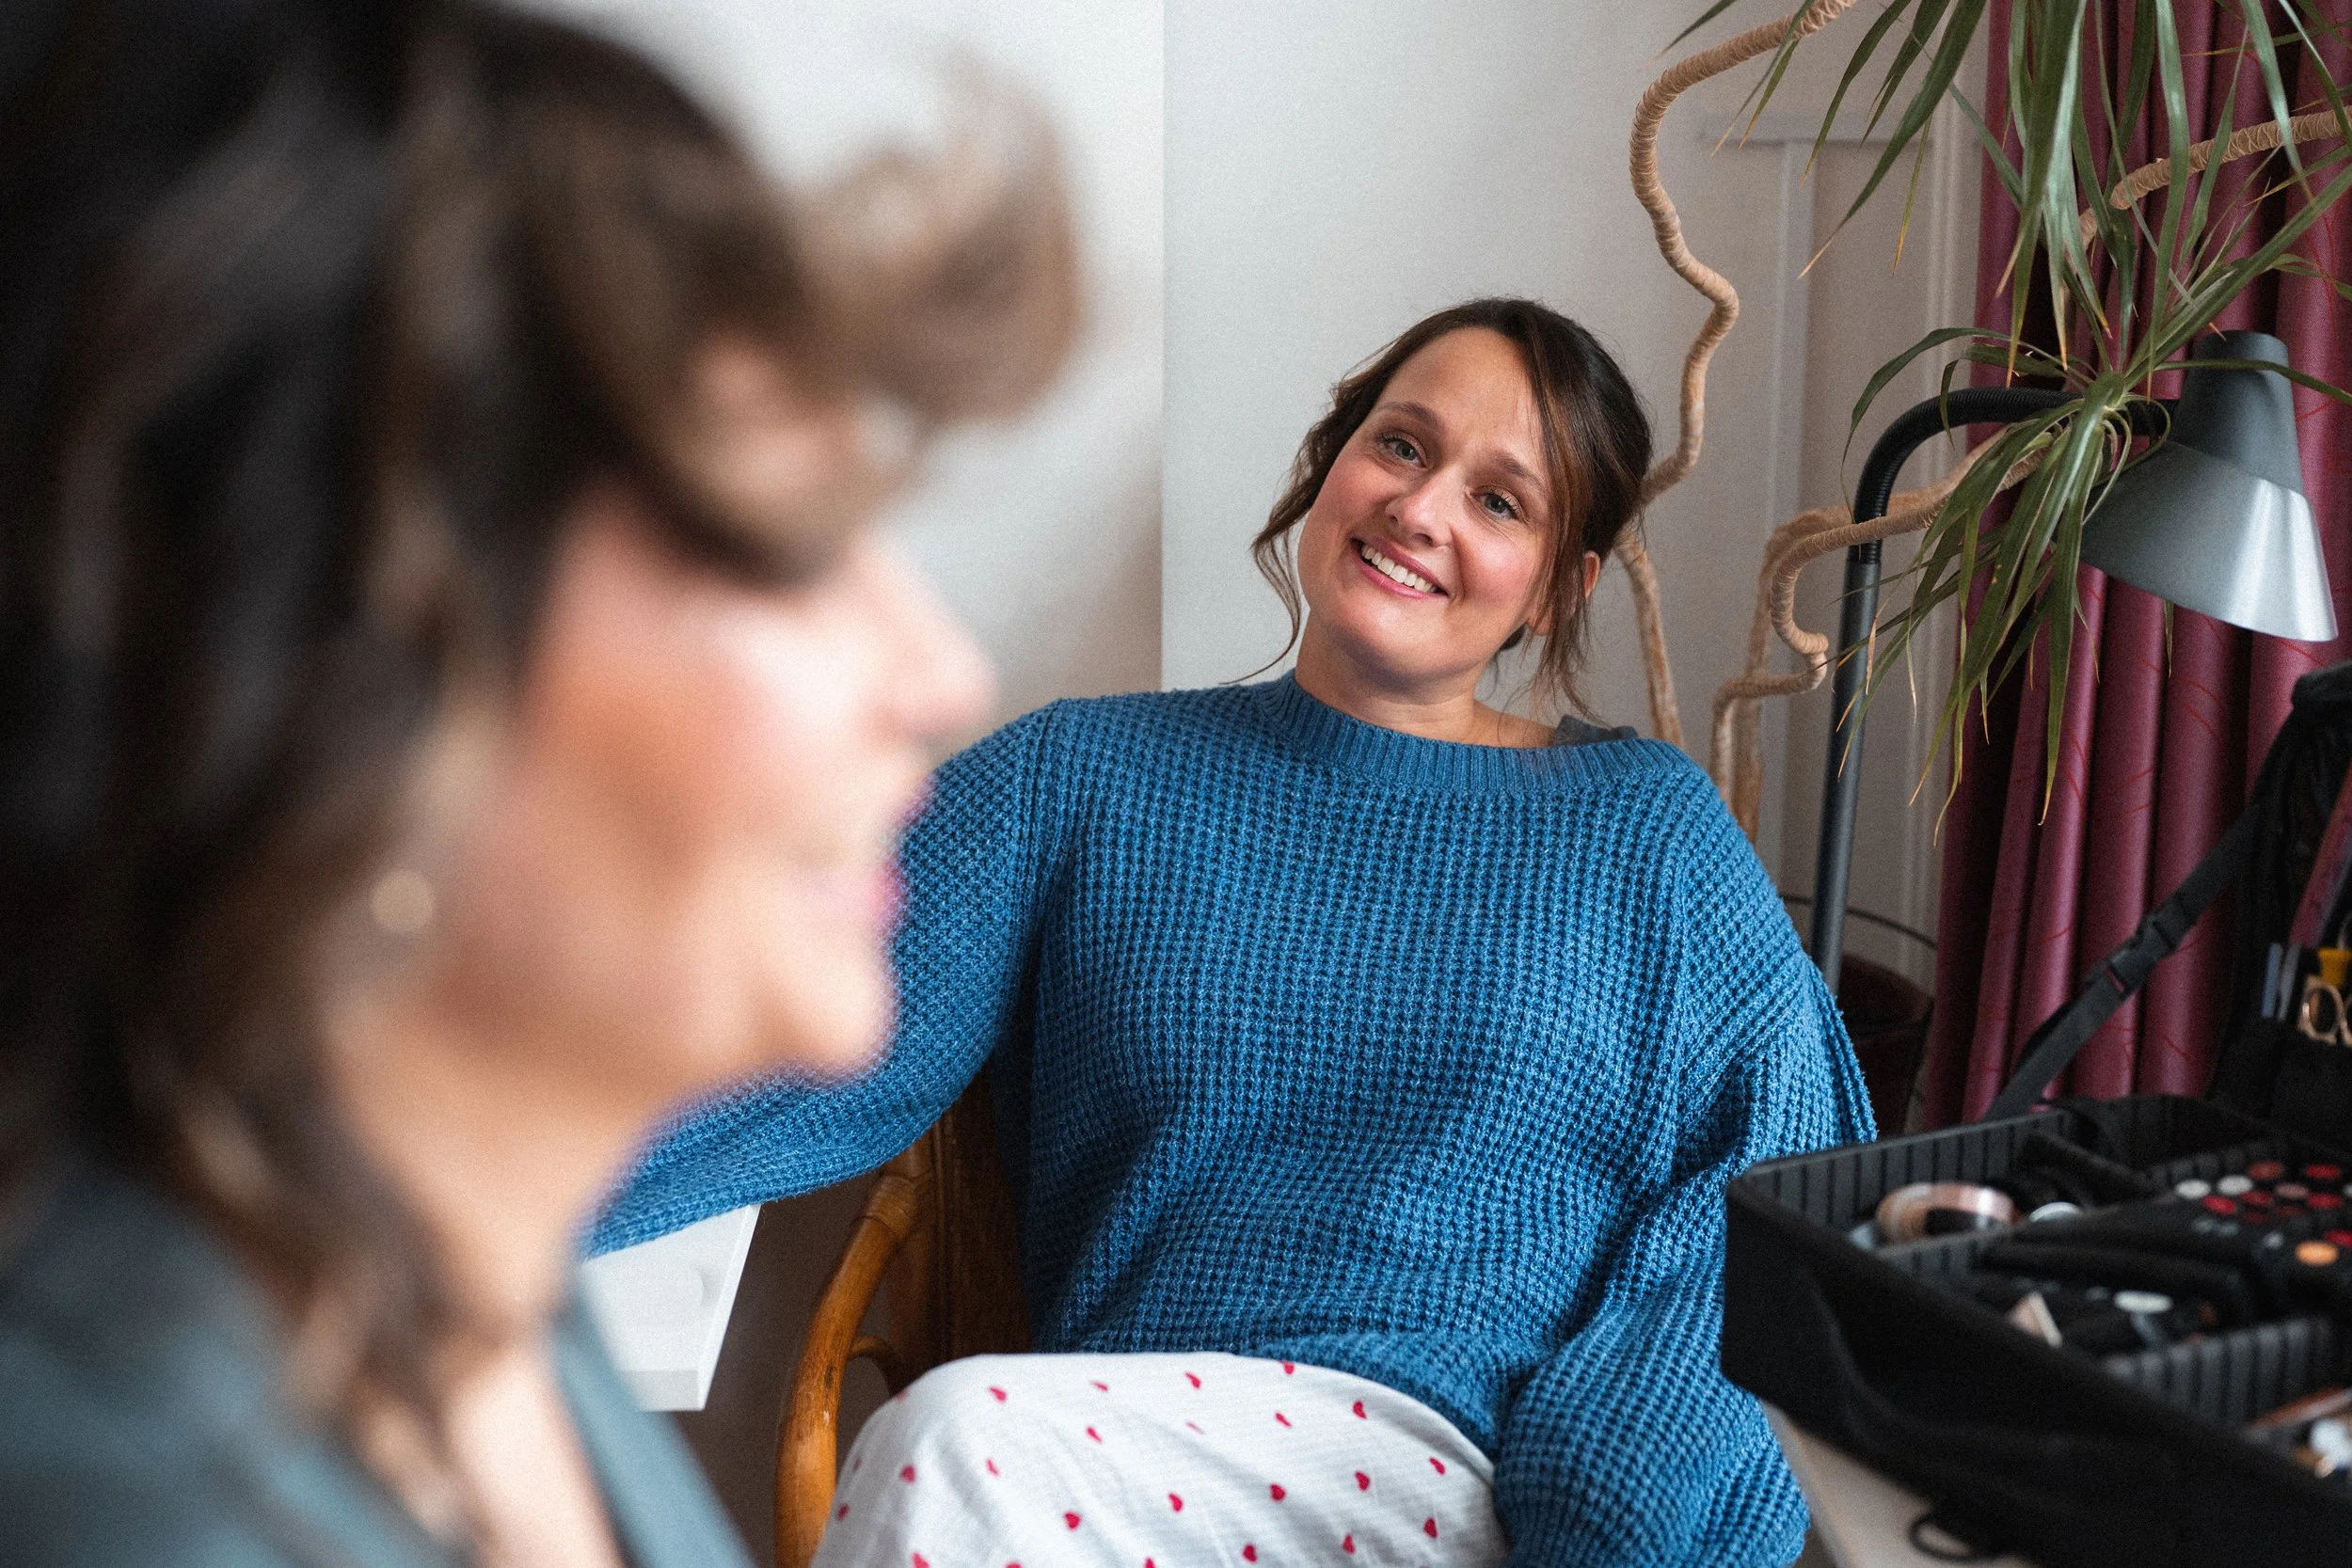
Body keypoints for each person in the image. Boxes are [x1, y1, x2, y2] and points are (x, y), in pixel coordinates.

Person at [0, 1, 1074, 1563]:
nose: (938, 669)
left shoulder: (489, 1320)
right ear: (343, 672)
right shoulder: (109, 1502)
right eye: (783, 551)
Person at [598, 299, 1874, 1567]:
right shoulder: (1083, 779)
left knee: (954, 1446)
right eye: (1404, 446)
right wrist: (453, 1161)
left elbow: (1775, 1184)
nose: (1422, 510)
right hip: (1119, 1480)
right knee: (960, 1450)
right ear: (1332, 461)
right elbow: (786, 1004)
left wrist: (1617, 1500)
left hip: (1465, 1493)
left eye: (1502, 502)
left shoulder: (1642, 829)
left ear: (1558, 588)